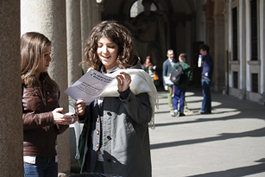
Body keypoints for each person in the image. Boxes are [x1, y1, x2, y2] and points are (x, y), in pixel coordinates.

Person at [75, 20, 157, 177]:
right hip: (94, 159)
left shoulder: (134, 76)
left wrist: (126, 94)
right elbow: (92, 119)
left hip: (124, 160)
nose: (104, 51)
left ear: (120, 49)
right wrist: (83, 113)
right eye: (100, 45)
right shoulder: (92, 76)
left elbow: (144, 117)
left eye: (110, 46)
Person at [21, 32, 79, 177]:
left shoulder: (51, 86)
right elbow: (16, 121)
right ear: (32, 55)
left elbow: (55, 128)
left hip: (51, 158)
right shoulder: (20, 84)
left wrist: (67, 119)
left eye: (50, 53)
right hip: (28, 159)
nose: (50, 59)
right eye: (45, 54)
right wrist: (51, 117)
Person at [199, 44, 213, 114]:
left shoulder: (208, 58)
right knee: (206, 94)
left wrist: (206, 73)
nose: (200, 52)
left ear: (205, 51)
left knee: (205, 94)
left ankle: (204, 108)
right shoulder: (205, 58)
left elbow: (209, 66)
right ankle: (207, 108)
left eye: (201, 51)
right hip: (205, 77)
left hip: (206, 77)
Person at [163, 49, 177, 116]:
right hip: (169, 82)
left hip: (176, 81)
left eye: (173, 54)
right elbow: (164, 74)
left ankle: (176, 108)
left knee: (176, 94)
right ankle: (171, 109)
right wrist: (165, 84)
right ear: (167, 55)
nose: (172, 55)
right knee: (170, 95)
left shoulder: (175, 61)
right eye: (170, 54)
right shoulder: (166, 63)